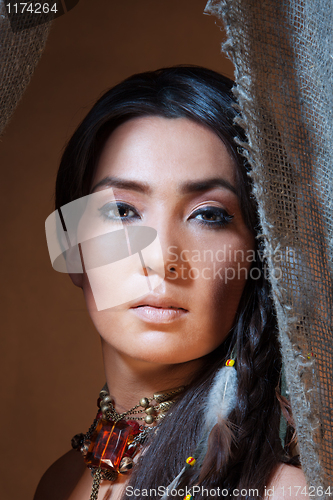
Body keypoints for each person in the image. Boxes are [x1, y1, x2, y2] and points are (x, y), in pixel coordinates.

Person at [35, 66, 308, 500]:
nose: (162, 259)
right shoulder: (59, 483)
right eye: (122, 211)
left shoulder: (287, 493)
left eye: (209, 214)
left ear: (261, 251)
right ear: (73, 248)